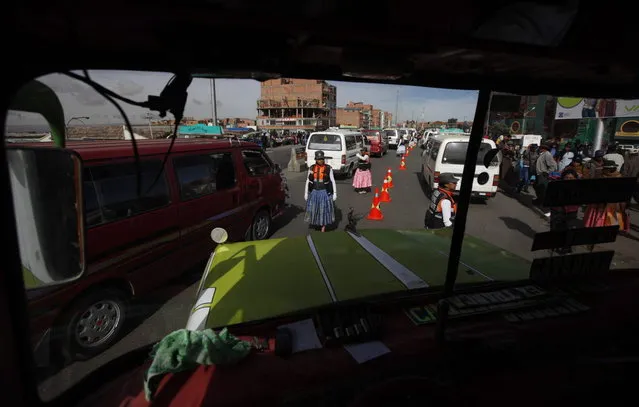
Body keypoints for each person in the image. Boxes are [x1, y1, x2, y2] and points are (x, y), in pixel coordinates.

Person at [304, 151, 337, 232]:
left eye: (322, 159)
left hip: (324, 192)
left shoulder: (328, 168)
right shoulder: (311, 168)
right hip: (314, 192)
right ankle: (317, 223)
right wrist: (305, 193)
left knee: (324, 210)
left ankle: (323, 226)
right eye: (319, 159)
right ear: (316, 159)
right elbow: (308, 180)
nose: (321, 160)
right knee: (315, 209)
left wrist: (335, 193)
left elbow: (332, 181)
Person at [549, 169, 580, 254]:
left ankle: (566, 247)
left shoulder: (578, 187)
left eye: (571, 178)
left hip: (571, 211)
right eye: (567, 177)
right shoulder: (558, 185)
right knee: (556, 228)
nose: (569, 179)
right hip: (558, 210)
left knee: (569, 229)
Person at [533, 143, 557, 217]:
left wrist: (547, 172)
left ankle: (545, 207)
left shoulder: (547, 154)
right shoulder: (542, 154)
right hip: (538, 173)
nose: (540, 148)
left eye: (541, 147)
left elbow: (553, 165)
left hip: (542, 174)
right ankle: (539, 201)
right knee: (537, 187)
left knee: (542, 189)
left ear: (544, 148)